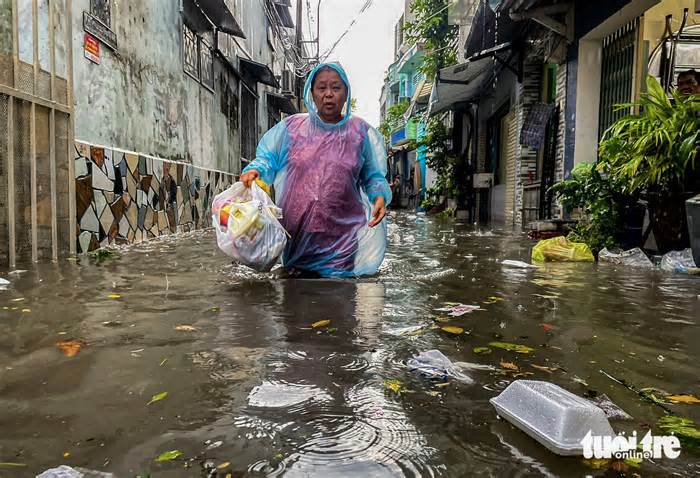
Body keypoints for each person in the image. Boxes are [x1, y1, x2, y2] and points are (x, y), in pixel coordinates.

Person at [239, 62, 392, 278]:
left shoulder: (359, 132)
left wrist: (378, 197)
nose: (328, 94)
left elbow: (372, 175)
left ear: (346, 93)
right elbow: (267, 158)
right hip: (297, 236)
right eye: (322, 88)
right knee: (294, 302)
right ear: (312, 92)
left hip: (343, 238)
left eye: (336, 88)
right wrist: (256, 170)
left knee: (340, 300)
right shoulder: (292, 129)